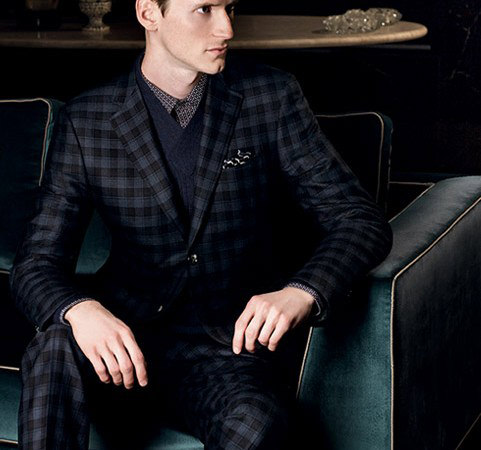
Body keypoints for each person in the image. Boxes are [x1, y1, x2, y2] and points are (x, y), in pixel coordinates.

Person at [10, 0, 393, 448]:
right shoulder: (86, 119)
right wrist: (82, 310)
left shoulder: (271, 97)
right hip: (121, 342)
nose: (227, 28)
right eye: (205, 9)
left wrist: (301, 291)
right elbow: (34, 264)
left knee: (254, 426)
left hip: (226, 355)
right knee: (55, 345)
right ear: (149, 13)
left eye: (229, 7)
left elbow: (359, 219)